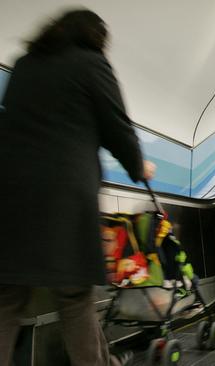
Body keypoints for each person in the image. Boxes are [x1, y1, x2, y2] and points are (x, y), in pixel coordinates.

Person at [0, 9, 156, 366]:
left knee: (7, 298)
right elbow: (116, 125)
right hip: (63, 198)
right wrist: (138, 166)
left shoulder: (25, 64)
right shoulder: (90, 63)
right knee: (73, 298)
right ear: (93, 36)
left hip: (10, 195)